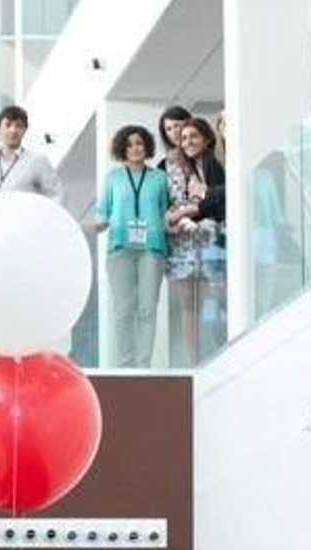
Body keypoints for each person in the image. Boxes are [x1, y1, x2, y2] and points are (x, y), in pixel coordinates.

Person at [95, 125, 171, 369]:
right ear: (122, 149)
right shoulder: (113, 177)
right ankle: (125, 366)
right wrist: (90, 227)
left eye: (138, 143)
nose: (134, 148)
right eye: (128, 144)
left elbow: (164, 211)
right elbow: (102, 212)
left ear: (146, 146)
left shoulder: (160, 178)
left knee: (148, 308)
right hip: (120, 248)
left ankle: (143, 366)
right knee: (123, 309)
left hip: (152, 247)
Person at [165, 117, 226, 368]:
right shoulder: (191, 168)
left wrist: (184, 212)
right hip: (197, 245)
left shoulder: (212, 163)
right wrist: (185, 214)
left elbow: (216, 203)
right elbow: (200, 206)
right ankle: (194, 362)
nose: (188, 141)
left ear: (207, 139)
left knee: (216, 302)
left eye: (194, 136)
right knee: (191, 306)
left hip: (215, 245)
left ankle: (217, 355)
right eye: (184, 138)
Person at [0, 105, 61, 203]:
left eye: (18, 126)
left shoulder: (38, 161)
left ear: (25, 130)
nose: (13, 130)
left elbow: (55, 196)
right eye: (8, 125)